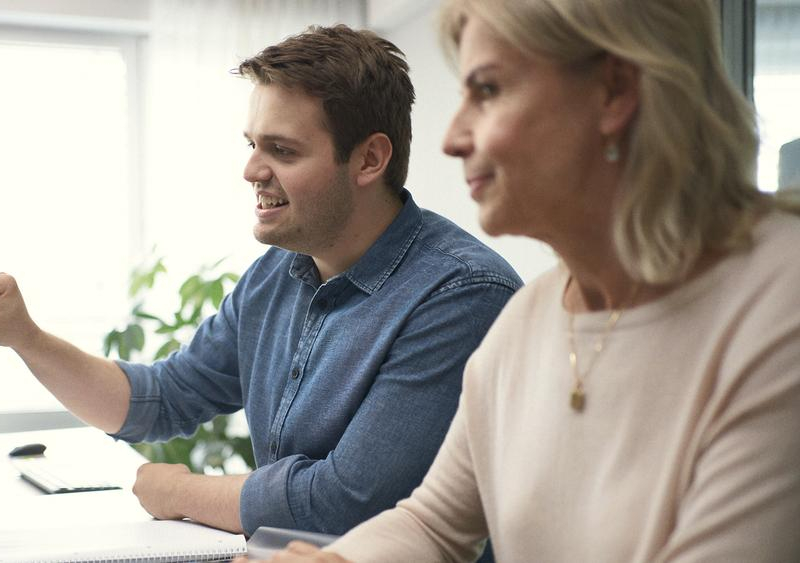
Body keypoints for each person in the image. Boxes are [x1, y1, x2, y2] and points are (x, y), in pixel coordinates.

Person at [241, 1, 800, 561]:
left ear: (613, 92)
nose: (453, 138)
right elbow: (433, 524)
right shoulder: (530, 319)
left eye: (486, 91)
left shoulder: (779, 303)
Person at [0, 24, 521, 536]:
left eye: (282, 150)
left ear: (369, 160)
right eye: (252, 145)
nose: (251, 171)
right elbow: (159, 400)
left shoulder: (461, 296)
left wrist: (180, 492)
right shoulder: (276, 276)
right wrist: (25, 337)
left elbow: (349, 504)